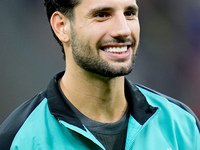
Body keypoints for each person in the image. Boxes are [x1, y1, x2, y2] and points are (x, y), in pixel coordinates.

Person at [0, 0, 199, 149]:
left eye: (129, 13)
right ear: (62, 26)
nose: (123, 30)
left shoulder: (182, 126)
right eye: (102, 14)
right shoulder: (20, 138)